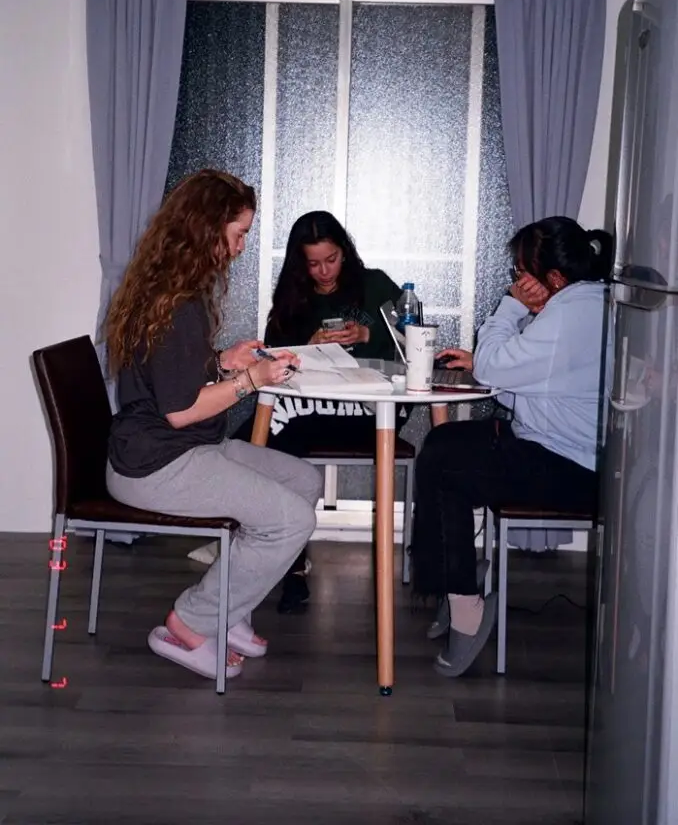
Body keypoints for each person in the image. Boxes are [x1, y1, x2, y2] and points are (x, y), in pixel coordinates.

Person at [105, 169, 323, 681]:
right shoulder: (177, 304)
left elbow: (170, 376)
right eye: (239, 233)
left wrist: (224, 362)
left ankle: (228, 606)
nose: (242, 246)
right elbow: (180, 410)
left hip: (180, 447)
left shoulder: (172, 289)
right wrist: (252, 380)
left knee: (303, 481)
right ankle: (192, 622)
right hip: (156, 464)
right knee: (291, 520)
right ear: (207, 229)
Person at [411, 216, 612, 678]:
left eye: (521, 272)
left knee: (446, 470)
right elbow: (538, 380)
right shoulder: (584, 303)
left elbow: (501, 368)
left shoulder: (568, 315)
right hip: (557, 447)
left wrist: (508, 311)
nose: (517, 281)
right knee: (441, 444)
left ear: (553, 278)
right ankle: (455, 582)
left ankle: (465, 607)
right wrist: (485, 363)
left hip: (568, 467)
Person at [190, 211, 407, 612]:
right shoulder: (294, 297)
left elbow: (415, 338)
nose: (324, 271)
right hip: (309, 407)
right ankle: (284, 555)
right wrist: (309, 344)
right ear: (299, 263)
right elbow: (272, 356)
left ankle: (257, 537)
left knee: (277, 423)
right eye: (313, 263)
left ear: (345, 252)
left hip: (373, 407)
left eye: (331, 259)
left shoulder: (375, 285)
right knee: (284, 428)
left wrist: (368, 333)